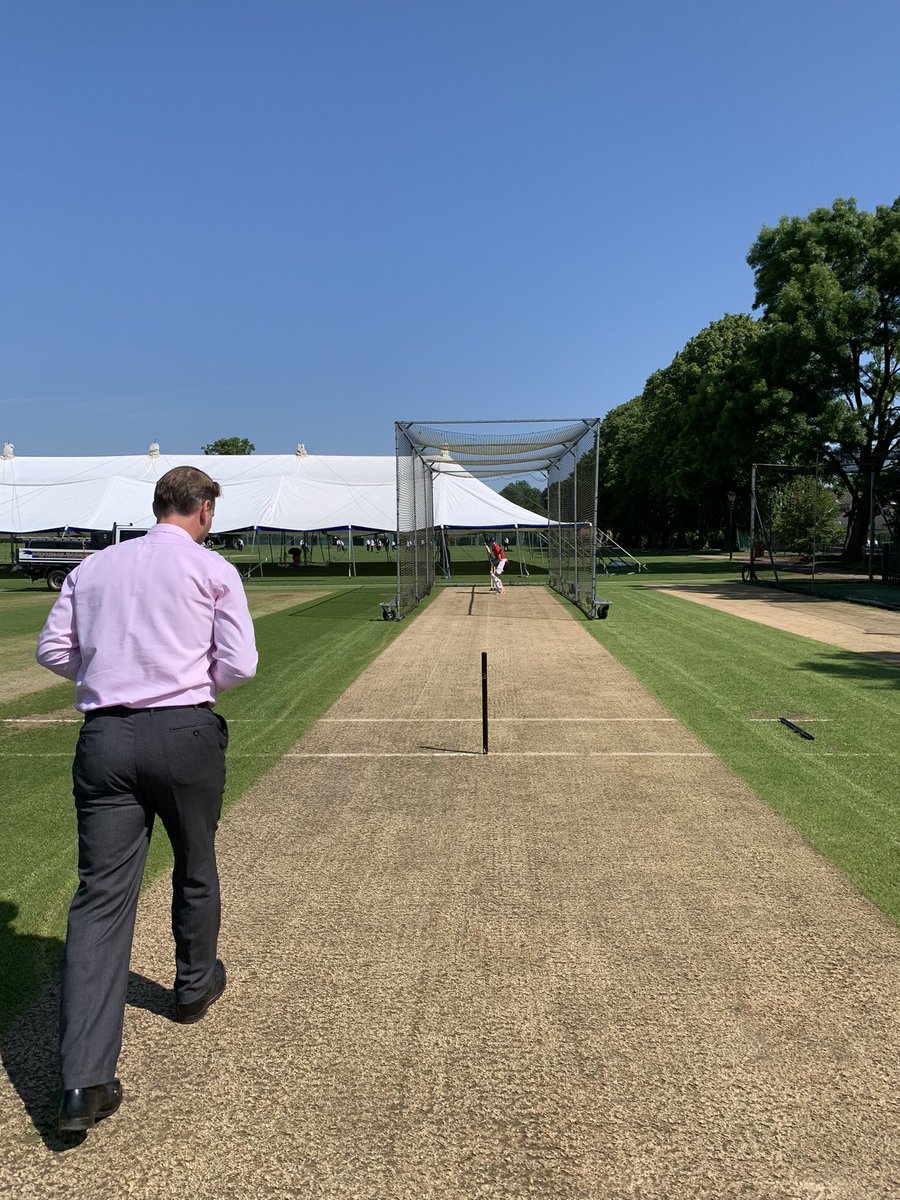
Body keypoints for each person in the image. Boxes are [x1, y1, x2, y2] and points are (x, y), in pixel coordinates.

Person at [36, 466, 258, 1135]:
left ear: (158, 504)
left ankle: (84, 1081)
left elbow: (52, 649)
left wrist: (109, 673)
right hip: (184, 729)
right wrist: (186, 681)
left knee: (100, 898)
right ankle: (192, 988)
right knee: (195, 861)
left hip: (105, 735)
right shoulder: (212, 568)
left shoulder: (94, 567)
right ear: (205, 509)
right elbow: (240, 664)